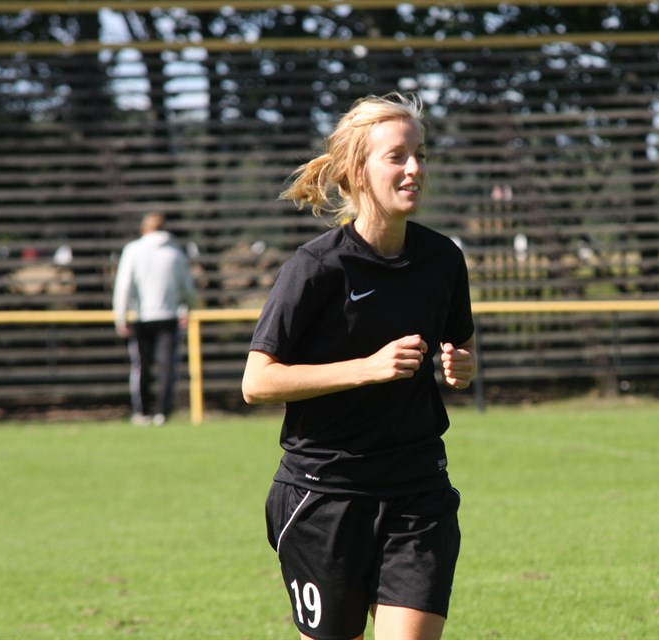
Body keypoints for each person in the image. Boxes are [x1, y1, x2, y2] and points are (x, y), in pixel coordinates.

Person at [241, 92, 477, 640]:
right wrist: (366, 368)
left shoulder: (443, 259)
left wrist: (461, 366)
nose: (415, 168)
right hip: (324, 495)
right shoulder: (316, 267)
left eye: (420, 155)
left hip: (418, 489)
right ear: (356, 170)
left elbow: (461, 345)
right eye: (397, 157)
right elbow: (258, 381)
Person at [113, 212, 196, 425]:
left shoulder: (133, 250)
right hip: (169, 317)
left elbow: (123, 286)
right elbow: (187, 288)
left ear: (144, 228)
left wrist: (120, 317)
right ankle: (162, 413)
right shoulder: (174, 252)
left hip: (141, 317)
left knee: (141, 366)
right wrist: (188, 309)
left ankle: (142, 411)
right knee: (167, 366)